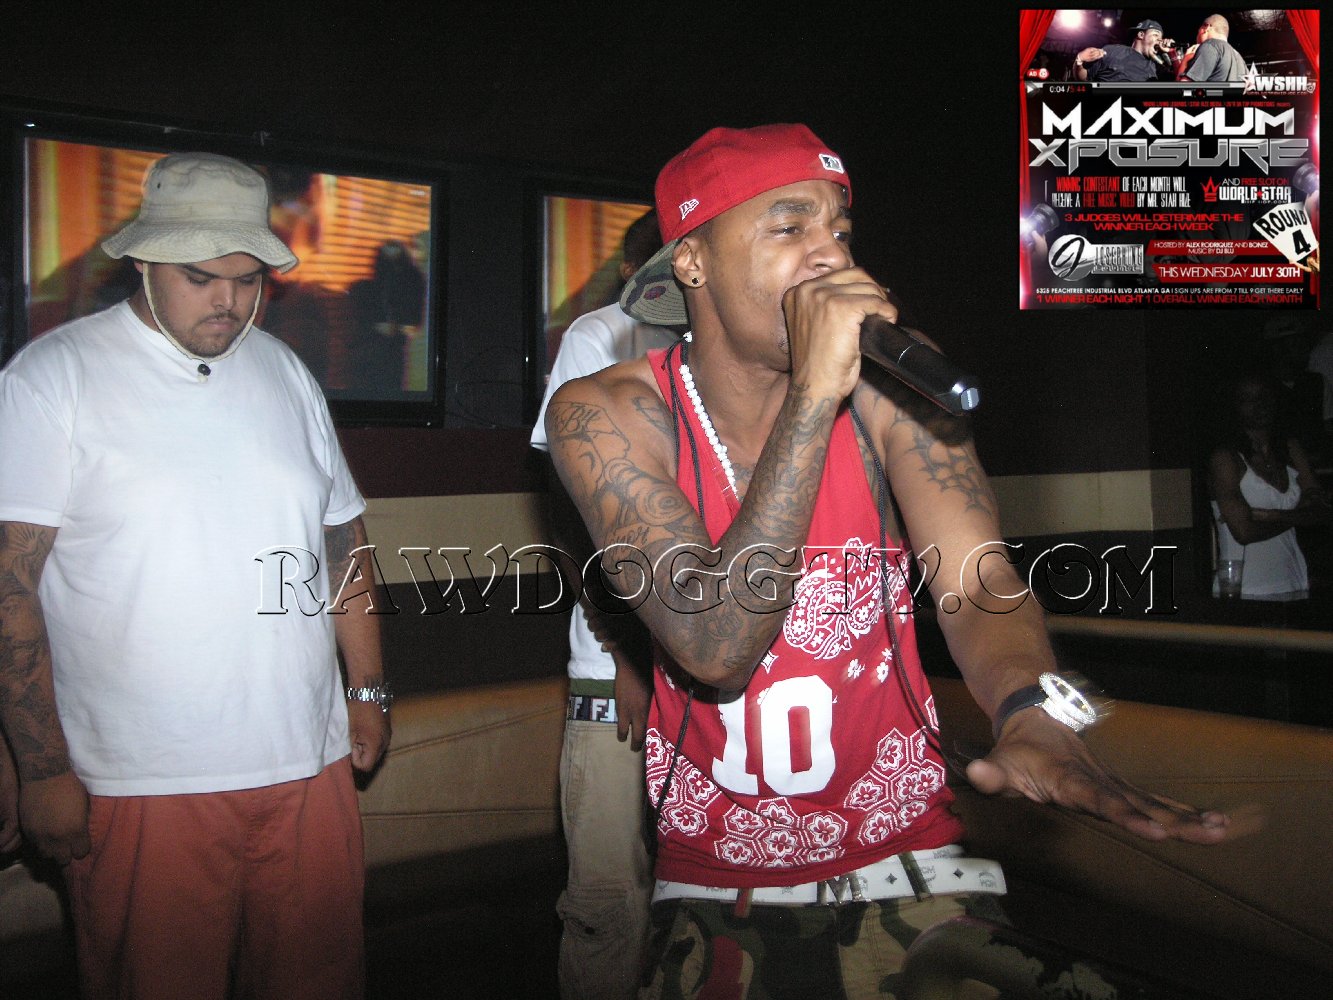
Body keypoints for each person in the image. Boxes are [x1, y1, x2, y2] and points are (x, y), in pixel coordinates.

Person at [544, 123, 1231, 998]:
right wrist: (813, 394)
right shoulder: (603, 412)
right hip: (717, 894)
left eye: (839, 230)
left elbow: (976, 579)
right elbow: (713, 643)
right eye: (788, 227)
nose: (831, 255)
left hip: (915, 868)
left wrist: (1030, 705)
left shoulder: (891, 390)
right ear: (691, 262)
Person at [0, 152, 391, 1000]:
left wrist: (366, 689)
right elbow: (9, 589)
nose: (228, 302)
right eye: (201, 278)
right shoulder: (53, 378)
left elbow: (342, 543)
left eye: (248, 281)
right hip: (142, 778)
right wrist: (40, 766)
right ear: (143, 262)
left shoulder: (284, 372)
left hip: (307, 760)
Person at [531, 210, 681, 999]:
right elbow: (569, 514)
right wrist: (627, 651)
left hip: (710, 665)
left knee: (697, 894)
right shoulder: (601, 337)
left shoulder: (732, 347)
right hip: (616, 665)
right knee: (608, 898)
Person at [1209, 372, 1330, 606]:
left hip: (1294, 581)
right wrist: (1300, 515)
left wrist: (1275, 516)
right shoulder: (1226, 458)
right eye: (1248, 399)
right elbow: (1244, 532)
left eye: (1264, 396)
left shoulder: (1290, 449)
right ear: (1234, 407)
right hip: (1246, 589)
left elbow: (1324, 511)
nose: (1260, 404)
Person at [1073, 18, 1176, 82]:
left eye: (1161, 37)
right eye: (1155, 35)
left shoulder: (1158, 66)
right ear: (1141, 35)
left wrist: (1172, 52)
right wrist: (1079, 60)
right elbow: (1084, 77)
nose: (1160, 40)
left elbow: (1179, 80)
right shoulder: (1112, 51)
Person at [1177, 14, 1247, 83]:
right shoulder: (1239, 57)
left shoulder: (1210, 45)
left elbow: (1184, 87)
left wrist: (1185, 60)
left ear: (1206, 27)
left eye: (1198, 32)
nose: (1197, 36)